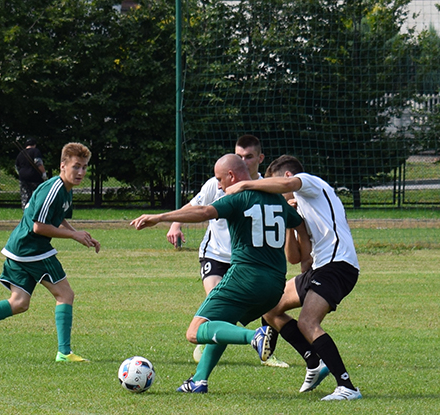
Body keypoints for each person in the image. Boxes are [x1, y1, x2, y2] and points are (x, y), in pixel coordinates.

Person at [131, 154, 304, 394]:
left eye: (220, 179)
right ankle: (198, 381)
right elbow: (299, 223)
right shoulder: (276, 198)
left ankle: (254, 337)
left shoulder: (236, 197)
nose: (219, 185)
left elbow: (202, 212)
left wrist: (161, 217)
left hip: (245, 276)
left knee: (195, 332)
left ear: (232, 176)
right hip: (275, 284)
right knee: (222, 322)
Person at [225, 154, 362, 401]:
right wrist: (290, 224)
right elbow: (297, 258)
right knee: (270, 307)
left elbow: (287, 186)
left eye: (275, 185)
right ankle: (314, 362)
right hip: (319, 269)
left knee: (308, 323)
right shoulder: (301, 205)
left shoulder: (309, 182)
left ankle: (347, 386)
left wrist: (245, 184)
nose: (278, 195)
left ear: (288, 176)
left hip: (338, 266)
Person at [0, 142, 100, 362]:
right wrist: (73, 235)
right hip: (32, 250)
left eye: (85, 167)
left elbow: (56, 217)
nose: (81, 172)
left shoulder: (64, 192)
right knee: (65, 295)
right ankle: (64, 353)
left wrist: (77, 233)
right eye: (76, 166)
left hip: (18, 249)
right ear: (63, 166)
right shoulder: (56, 189)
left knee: (19, 303)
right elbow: (39, 227)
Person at [166, 135, 289, 368]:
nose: (243, 160)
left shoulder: (266, 187)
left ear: (260, 159)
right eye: (239, 156)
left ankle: (265, 349)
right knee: (216, 305)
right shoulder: (217, 183)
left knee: (268, 308)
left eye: (249, 157)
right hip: (216, 256)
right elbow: (197, 208)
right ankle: (207, 348)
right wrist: (175, 223)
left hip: (247, 262)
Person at [16, 138, 48, 209]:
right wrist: (43, 173)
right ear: (34, 145)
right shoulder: (35, 151)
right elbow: (38, 162)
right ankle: (35, 211)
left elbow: (17, 167)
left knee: (25, 196)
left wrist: (21, 173)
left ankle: (26, 211)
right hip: (35, 177)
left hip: (23, 177)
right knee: (37, 195)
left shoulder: (21, 153)